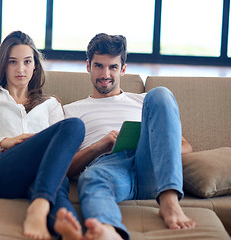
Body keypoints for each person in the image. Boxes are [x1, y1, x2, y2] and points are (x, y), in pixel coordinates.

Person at [54, 33, 196, 240]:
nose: (105, 74)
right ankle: (107, 230)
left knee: (161, 93)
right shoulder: (70, 110)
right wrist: (100, 146)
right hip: (108, 167)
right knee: (92, 178)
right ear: (88, 66)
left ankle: (169, 200)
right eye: (98, 66)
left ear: (123, 69)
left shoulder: (144, 101)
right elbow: (63, 167)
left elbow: (185, 146)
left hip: (150, 164)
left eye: (112, 67)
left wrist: (150, 144)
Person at [0, 31, 85, 240]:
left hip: (42, 174)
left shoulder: (51, 104)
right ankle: (38, 208)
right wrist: (7, 142)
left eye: (27, 61)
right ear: (3, 65)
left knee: (74, 127)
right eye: (12, 62)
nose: (20, 69)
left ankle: (67, 229)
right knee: (71, 129)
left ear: (35, 66)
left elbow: (63, 151)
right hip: (1, 168)